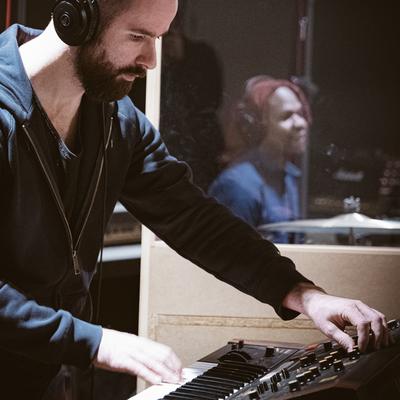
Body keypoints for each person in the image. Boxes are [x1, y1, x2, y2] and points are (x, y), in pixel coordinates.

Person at [0, 0, 390, 398]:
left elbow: (194, 219)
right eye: (138, 36)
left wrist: (302, 294)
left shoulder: (117, 120)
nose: (151, 60)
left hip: (42, 377)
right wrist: (95, 342)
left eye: (158, 38)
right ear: (76, 20)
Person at [209, 76, 311, 243]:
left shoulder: (289, 177)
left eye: (300, 113)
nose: (300, 123)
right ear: (258, 126)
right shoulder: (237, 186)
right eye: (286, 116)